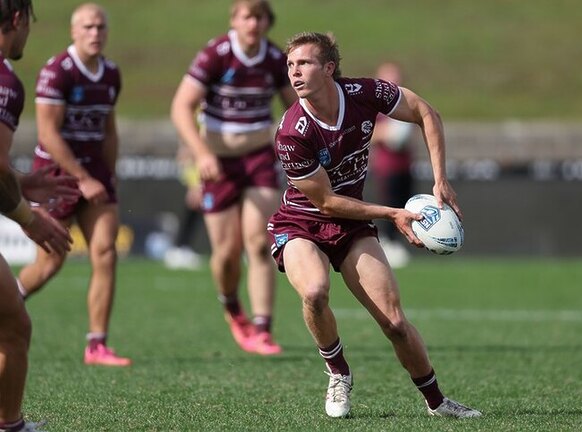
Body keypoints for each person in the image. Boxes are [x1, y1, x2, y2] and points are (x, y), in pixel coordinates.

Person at [268, 32, 482, 419]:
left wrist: (440, 179)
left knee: (395, 323)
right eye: (290, 65)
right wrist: (393, 214)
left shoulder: (365, 93)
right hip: (302, 223)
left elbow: (425, 112)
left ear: (328, 68)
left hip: (352, 226)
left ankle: (438, 403)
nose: (294, 73)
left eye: (304, 64)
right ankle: (338, 371)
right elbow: (326, 202)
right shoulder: (291, 131)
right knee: (315, 291)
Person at [171, 0, 297, 355]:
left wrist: (322, 80)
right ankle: (232, 307)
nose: (253, 24)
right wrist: (202, 153)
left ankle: (263, 328)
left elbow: (297, 103)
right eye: (247, 17)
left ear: (267, 22)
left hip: (258, 158)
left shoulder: (274, 59)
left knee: (258, 243)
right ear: (235, 20)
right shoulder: (217, 54)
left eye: (259, 17)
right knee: (226, 253)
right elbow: (181, 106)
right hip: (218, 163)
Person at [16, 3, 132, 367]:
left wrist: (106, 177)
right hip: (57, 176)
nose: (95, 33)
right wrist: (81, 179)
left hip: (95, 176)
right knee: (50, 263)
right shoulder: (57, 71)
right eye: (88, 27)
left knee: (105, 252)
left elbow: (109, 131)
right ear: (73, 31)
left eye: (100, 27)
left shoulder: (111, 73)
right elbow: (48, 133)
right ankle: (10, 302)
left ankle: (97, 345)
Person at [0, 1, 77, 430]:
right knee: (12, 328)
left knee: (11, 320)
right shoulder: (5, 81)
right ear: (16, 20)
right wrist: (27, 217)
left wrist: (23, 181)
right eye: (29, 21)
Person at [369, 61, 414, 268]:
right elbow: (371, 132)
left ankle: (400, 243)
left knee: (406, 204)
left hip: (405, 166)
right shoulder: (375, 107)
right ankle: (386, 244)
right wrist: (386, 134)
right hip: (386, 168)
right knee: (390, 206)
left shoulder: (406, 103)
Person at [163, 141, 203, 270]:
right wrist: (194, 184)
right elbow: (184, 156)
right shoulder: (192, 131)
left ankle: (181, 247)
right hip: (198, 177)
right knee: (192, 209)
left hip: (205, 176)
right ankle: (179, 248)